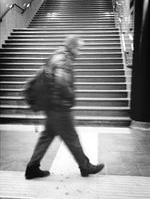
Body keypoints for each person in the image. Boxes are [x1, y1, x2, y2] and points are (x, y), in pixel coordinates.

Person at [25, 35, 104, 179]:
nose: (80, 52)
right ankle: (85, 167)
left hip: (52, 106)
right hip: (60, 107)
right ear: (72, 47)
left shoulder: (57, 55)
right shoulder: (64, 59)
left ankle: (32, 168)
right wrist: (72, 96)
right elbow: (61, 82)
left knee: (46, 136)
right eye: (79, 49)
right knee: (72, 138)